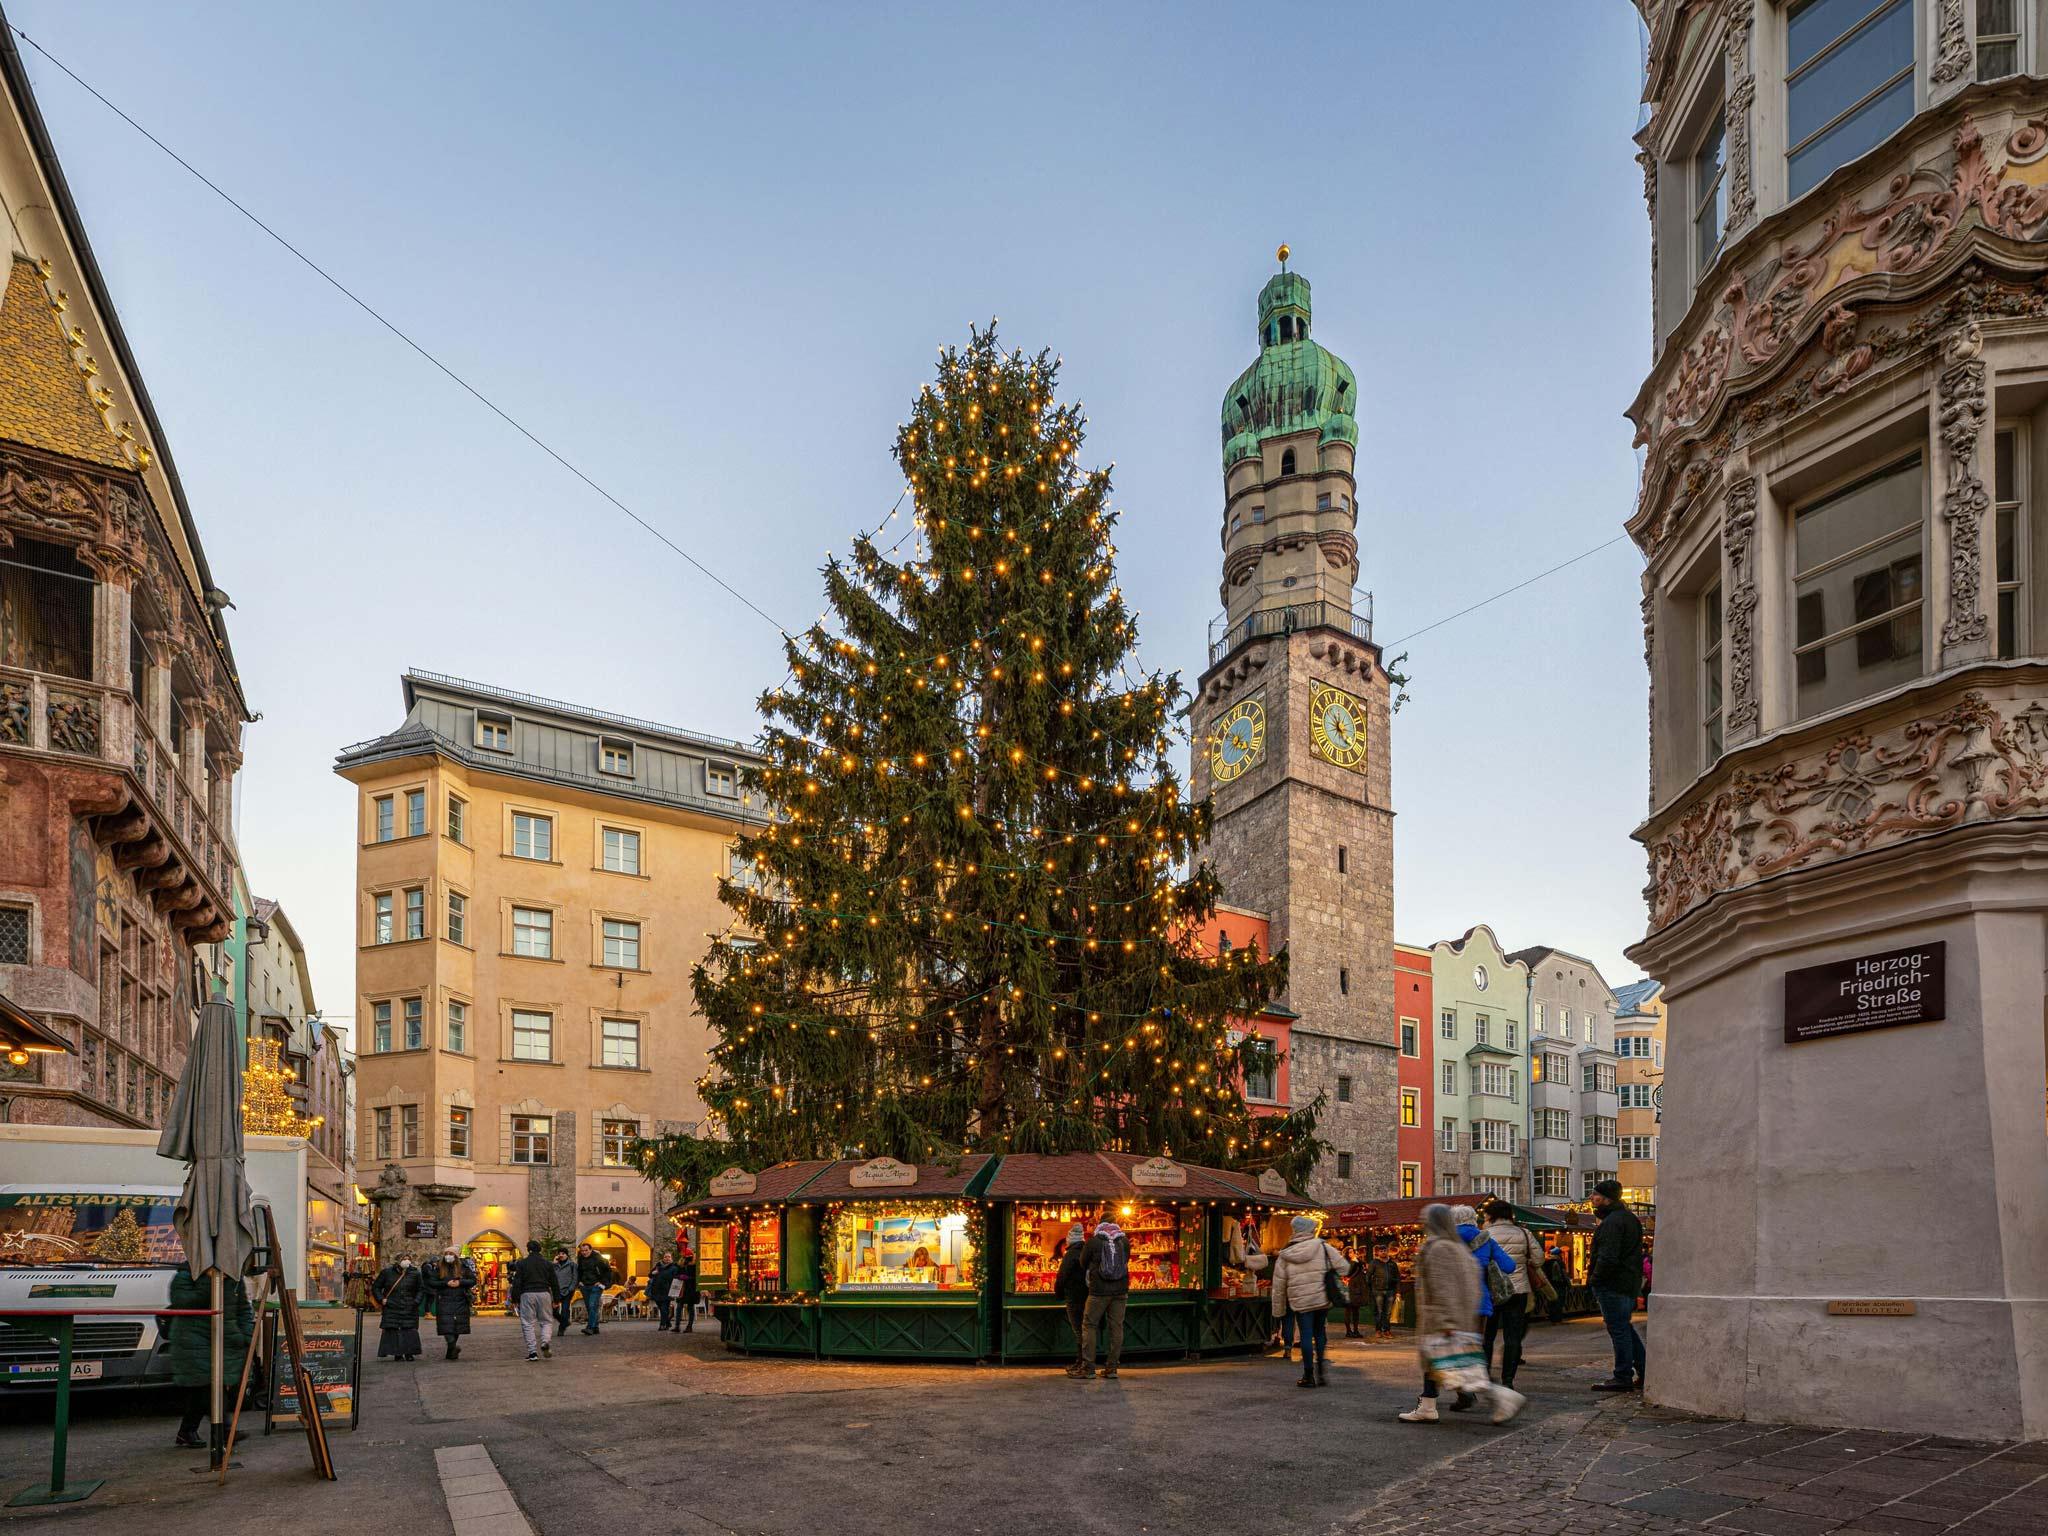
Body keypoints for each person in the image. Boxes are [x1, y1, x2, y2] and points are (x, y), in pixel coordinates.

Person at [1397, 1204, 1525, 1425]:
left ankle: (1502, 1396)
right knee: (1445, 1363)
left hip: (1445, 1317)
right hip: (1470, 1310)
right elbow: (1505, 1267)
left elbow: (1441, 1287)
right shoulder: (1465, 1245)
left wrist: (1446, 1322)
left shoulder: (1439, 1247)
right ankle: (1428, 1406)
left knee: (1457, 1366)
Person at [167, 1263, 254, 1449]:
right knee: (210, 1385)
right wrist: (211, 1282)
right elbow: (182, 1302)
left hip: (224, 1339)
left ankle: (187, 1431)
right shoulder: (185, 1275)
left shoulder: (234, 1279)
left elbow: (243, 1309)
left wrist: (246, 1335)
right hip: (193, 1339)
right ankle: (225, 1433)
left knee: (202, 1389)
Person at [1270, 1214, 1349, 1388]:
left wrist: (1278, 1309)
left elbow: (1278, 1285)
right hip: (1321, 1298)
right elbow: (1344, 1268)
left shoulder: (1285, 1253)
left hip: (1300, 1300)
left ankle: (1308, 1375)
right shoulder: (1323, 1247)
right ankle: (1321, 1371)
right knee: (1320, 1333)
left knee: (1305, 1334)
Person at [1480, 1198, 1544, 1391]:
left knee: (1488, 1336)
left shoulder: (1485, 1234)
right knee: (1512, 1336)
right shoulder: (1524, 1233)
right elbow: (1539, 1259)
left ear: (1490, 1216)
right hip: (1518, 1289)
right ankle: (1508, 1379)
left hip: (1492, 1290)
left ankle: (1485, 1375)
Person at [1588, 1180, 1646, 1392]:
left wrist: (1595, 1279)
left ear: (1606, 1198)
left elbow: (1608, 1257)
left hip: (1613, 1284)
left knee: (1619, 1330)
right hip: (1627, 1282)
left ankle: (1622, 1376)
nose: (1592, 1198)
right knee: (1624, 1328)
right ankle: (1643, 1369)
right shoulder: (1628, 1219)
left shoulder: (1612, 1222)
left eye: (1595, 1195)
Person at [1078, 1212, 1129, 1380]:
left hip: (1098, 1292)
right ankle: (1112, 1368)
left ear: (1100, 1224)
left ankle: (1088, 1367)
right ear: (1115, 1223)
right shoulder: (1124, 1241)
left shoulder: (1094, 1241)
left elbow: (1082, 1262)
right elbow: (1126, 1261)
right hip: (1120, 1291)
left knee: (1089, 1325)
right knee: (1116, 1327)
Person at [421, 1248, 477, 1361]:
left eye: (450, 1253)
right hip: (444, 1299)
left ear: (456, 1255)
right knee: (446, 1325)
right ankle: (452, 1346)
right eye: (446, 1253)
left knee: (457, 1326)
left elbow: (473, 1280)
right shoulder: (439, 1267)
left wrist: (460, 1282)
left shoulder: (463, 1267)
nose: (448, 1256)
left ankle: (451, 1351)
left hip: (460, 1300)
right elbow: (431, 1282)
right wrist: (446, 1283)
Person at [509, 1238, 560, 1362]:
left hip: (527, 1294)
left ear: (528, 1250)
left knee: (527, 1323)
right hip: (544, 1293)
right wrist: (556, 1299)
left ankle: (532, 1352)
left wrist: (515, 1299)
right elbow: (554, 1282)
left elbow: (517, 1282)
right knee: (546, 1321)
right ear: (540, 1249)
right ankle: (545, 1341)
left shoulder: (522, 1263)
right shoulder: (547, 1264)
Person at [372, 1254, 424, 1361]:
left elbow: (421, 1289)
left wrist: (416, 1301)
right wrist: (381, 1299)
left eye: (408, 1259)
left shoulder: (415, 1273)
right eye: (404, 1259)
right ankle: (397, 1353)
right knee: (393, 1330)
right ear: (398, 1261)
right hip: (392, 1305)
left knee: (409, 1329)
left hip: (409, 1306)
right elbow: (376, 1287)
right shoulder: (387, 1272)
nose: (406, 1261)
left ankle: (409, 1352)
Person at [1054, 1221, 1090, 1377]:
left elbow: (1062, 1276)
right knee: (1084, 1330)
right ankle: (1081, 1361)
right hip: (1087, 1295)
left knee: (1079, 1331)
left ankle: (1082, 1363)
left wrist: (1059, 1293)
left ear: (1070, 1240)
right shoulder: (1086, 1252)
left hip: (1074, 1297)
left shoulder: (1070, 1255)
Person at [575, 1242, 613, 1334]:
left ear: (591, 1250)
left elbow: (608, 1271)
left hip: (596, 1286)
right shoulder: (580, 1258)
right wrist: (579, 1281)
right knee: (589, 1307)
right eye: (582, 1251)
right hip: (584, 1286)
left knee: (592, 1305)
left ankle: (590, 1327)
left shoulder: (599, 1259)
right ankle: (595, 1327)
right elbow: (579, 1271)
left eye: (586, 1250)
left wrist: (602, 1282)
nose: (584, 1252)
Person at [1367, 1244, 1402, 1339]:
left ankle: (1386, 1330)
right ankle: (1378, 1330)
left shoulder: (1392, 1264)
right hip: (1378, 1291)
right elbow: (1368, 1276)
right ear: (1378, 1252)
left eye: (1385, 1250)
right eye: (1381, 1251)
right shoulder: (1374, 1263)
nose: (1383, 1252)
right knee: (1379, 1311)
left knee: (1388, 1312)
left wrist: (1398, 1291)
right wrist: (1371, 1289)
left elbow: (1398, 1278)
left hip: (1390, 1291)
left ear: (1387, 1251)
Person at [649, 1252, 681, 1331]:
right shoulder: (658, 1266)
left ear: (671, 1259)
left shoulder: (674, 1267)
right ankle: (668, 1323)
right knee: (661, 1307)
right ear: (663, 1258)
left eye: (669, 1257)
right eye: (665, 1257)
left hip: (667, 1290)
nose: (667, 1258)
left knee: (664, 1307)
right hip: (656, 1290)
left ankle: (662, 1325)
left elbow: (676, 1278)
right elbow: (649, 1275)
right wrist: (653, 1273)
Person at [1342, 1245, 1369, 1338]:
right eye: (1350, 1252)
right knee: (1348, 1310)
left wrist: (1358, 1261)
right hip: (1349, 1288)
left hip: (1358, 1288)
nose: (1352, 1253)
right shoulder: (1346, 1262)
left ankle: (1356, 1330)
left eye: (1353, 1251)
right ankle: (1348, 1331)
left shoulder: (1358, 1261)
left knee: (1356, 1310)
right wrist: (1354, 1261)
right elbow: (1348, 1273)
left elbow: (1364, 1268)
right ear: (1346, 1254)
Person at [551, 1248, 578, 1336]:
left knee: (565, 1310)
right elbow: (550, 1275)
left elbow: (575, 1278)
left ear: (567, 1255)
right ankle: (565, 1322)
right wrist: (553, 1264)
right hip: (556, 1291)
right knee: (553, 1311)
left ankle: (561, 1329)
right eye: (560, 1253)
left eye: (563, 1253)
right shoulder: (555, 1265)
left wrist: (571, 1289)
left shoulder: (572, 1265)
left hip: (567, 1291)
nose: (561, 1255)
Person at [676, 1240, 700, 1332]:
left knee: (690, 1307)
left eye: (688, 1257)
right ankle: (677, 1326)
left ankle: (689, 1326)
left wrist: (689, 1278)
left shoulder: (695, 1265)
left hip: (691, 1288)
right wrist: (679, 1276)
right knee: (679, 1306)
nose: (687, 1258)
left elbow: (697, 1277)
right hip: (682, 1288)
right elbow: (676, 1274)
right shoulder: (681, 1264)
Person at [1542, 1247, 1569, 1325]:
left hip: (1550, 1283)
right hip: (1559, 1284)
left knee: (1552, 1301)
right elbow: (1563, 1274)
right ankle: (1558, 1319)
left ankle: (1553, 1318)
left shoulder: (1546, 1262)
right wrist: (1567, 1283)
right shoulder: (1559, 1262)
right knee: (1559, 1301)